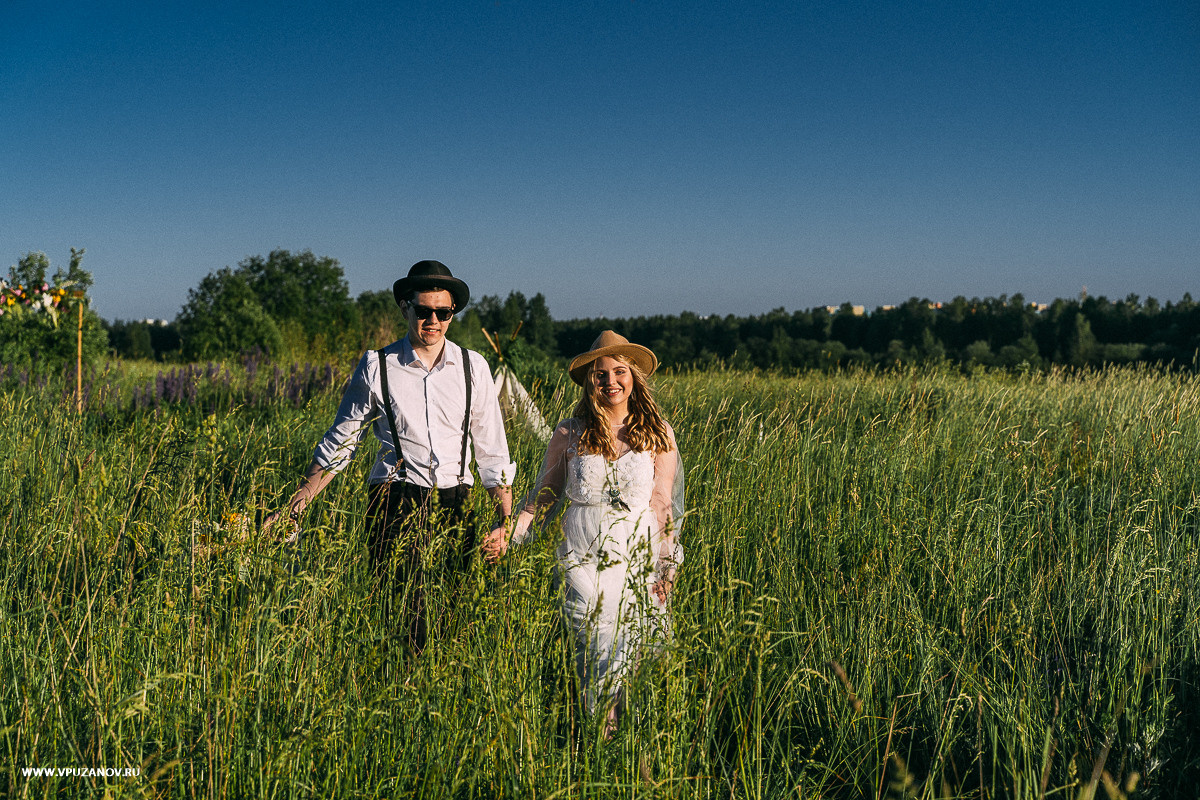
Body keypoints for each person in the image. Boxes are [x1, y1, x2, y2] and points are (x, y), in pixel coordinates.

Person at [267, 260, 515, 654]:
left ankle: (438, 686)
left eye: (443, 313)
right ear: (405, 308)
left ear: (452, 314)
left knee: (454, 619)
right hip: (395, 499)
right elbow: (340, 444)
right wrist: (294, 508)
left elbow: (493, 453)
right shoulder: (377, 365)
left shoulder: (474, 368)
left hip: (457, 500)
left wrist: (504, 521)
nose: (433, 321)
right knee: (405, 620)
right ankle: (400, 681)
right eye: (423, 311)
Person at [482, 330, 683, 736]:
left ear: (633, 376)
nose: (611, 381)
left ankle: (624, 745)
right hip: (581, 557)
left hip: (638, 556)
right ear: (590, 381)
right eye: (600, 374)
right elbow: (542, 499)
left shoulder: (658, 432)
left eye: (619, 372)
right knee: (596, 648)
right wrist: (510, 533)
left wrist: (667, 567)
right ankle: (597, 737)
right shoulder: (569, 432)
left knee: (632, 656)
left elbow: (663, 503)